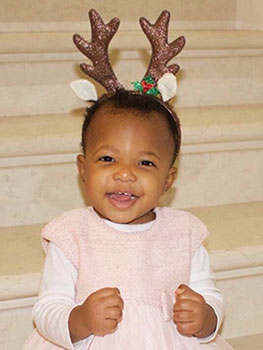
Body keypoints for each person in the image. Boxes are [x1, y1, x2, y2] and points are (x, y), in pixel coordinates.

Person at [23, 90, 233, 349]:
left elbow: (210, 294)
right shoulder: (72, 235)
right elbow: (48, 308)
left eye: (145, 163)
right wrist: (81, 319)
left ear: (168, 180)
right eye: (107, 159)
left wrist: (204, 316)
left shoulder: (184, 233)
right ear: (83, 169)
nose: (124, 174)